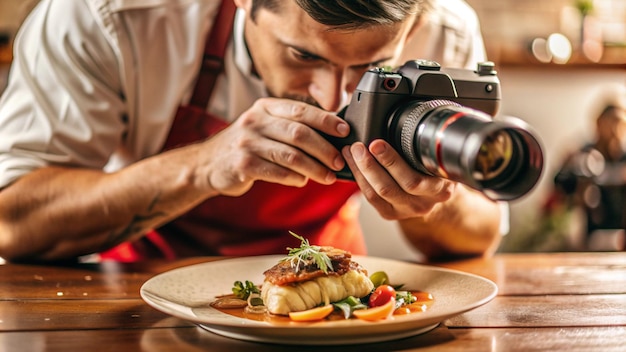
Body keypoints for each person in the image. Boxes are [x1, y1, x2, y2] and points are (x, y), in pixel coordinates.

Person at [0, 0, 504, 262]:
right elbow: (13, 222)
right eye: (303, 55)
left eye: (372, 67)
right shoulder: (116, 17)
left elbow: (479, 234)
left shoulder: (444, 31)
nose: (331, 99)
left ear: (414, 26)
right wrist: (202, 166)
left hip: (330, 303)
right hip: (135, 295)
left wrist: (426, 200)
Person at [550, 84, 626, 250]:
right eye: (611, 123)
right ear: (599, 123)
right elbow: (559, 184)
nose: (615, 131)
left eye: (620, 125)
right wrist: (567, 166)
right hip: (589, 234)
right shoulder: (583, 154)